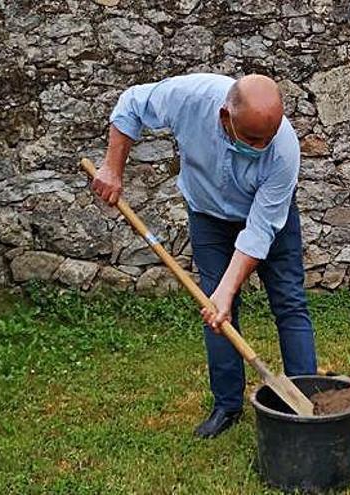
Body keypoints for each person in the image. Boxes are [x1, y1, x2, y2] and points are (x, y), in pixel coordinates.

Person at [91, 73, 318, 439]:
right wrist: (112, 169)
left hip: (267, 220)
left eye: (268, 138)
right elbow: (131, 103)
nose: (261, 148)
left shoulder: (284, 149)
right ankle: (227, 406)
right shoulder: (189, 97)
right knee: (215, 310)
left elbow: (259, 232)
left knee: (290, 303)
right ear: (225, 115)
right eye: (253, 139)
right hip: (208, 216)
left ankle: (305, 403)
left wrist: (230, 287)